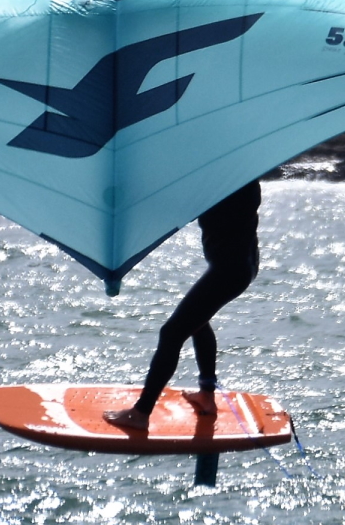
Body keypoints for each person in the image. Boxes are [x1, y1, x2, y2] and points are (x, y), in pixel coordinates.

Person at [105, 180, 260, 429]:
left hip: (229, 270)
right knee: (197, 321)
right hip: (241, 266)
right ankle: (206, 396)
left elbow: (173, 207)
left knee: (172, 333)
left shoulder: (222, 184)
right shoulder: (240, 178)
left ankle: (141, 413)